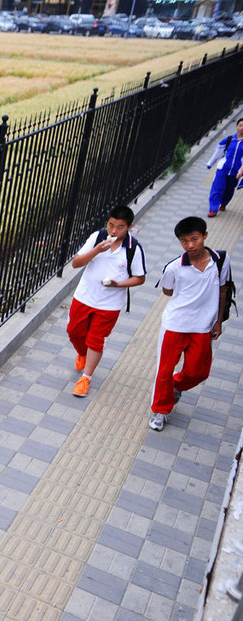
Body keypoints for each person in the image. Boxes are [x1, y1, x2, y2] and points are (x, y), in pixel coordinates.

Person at [149, 216, 231, 431]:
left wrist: (218, 322)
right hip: (175, 325)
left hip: (203, 327)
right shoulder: (174, 267)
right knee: (164, 372)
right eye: (184, 241)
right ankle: (160, 410)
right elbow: (167, 291)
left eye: (194, 239)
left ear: (205, 235)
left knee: (199, 372)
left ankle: (175, 387)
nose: (190, 245)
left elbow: (223, 290)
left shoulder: (221, 260)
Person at [66, 205, 147, 398]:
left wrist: (119, 284)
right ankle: (82, 354)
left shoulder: (133, 248)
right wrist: (96, 251)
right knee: (74, 332)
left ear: (129, 227)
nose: (113, 231)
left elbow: (140, 277)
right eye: (111, 225)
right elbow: (76, 263)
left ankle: (86, 378)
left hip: (109, 305)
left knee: (96, 340)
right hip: (84, 296)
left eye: (119, 227)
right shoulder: (97, 237)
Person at [205, 117, 243, 218]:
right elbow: (218, 152)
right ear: (237, 126)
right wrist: (210, 163)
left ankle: (224, 203)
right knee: (217, 188)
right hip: (223, 169)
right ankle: (213, 209)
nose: (242, 128)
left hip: (236, 171)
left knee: (229, 189)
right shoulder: (229, 140)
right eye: (240, 125)